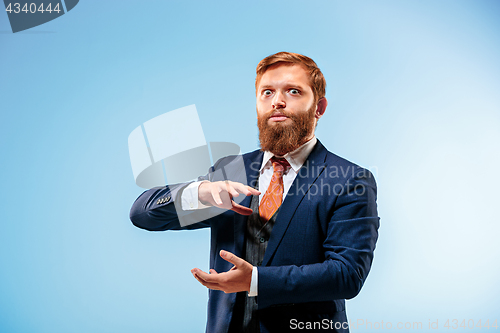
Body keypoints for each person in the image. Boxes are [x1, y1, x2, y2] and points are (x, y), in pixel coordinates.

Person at [129, 52, 379, 333]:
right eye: (267, 92)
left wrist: (257, 280)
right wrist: (200, 192)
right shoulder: (229, 170)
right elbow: (143, 214)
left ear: (319, 107)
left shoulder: (350, 179)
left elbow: (347, 275)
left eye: (293, 91)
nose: (277, 101)